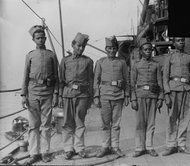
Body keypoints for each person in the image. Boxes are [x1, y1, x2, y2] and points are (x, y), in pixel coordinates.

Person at [21, 25, 59, 165]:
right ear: (33, 39)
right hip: (33, 94)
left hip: (47, 93)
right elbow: (25, 76)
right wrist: (23, 95)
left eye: (43, 37)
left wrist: (56, 94)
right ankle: (33, 153)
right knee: (33, 125)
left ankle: (45, 152)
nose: (41, 40)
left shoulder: (51, 55)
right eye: (38, 38)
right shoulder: (30, 55)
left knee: (46, 125)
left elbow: (57, 76)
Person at [58, 32, 94, 160]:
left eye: (83, 47)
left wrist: (90, 98)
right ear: (73, 45)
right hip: (67, 95)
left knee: (80, 122)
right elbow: (61, 80)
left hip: (82, 95)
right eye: (78, 45)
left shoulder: (88, 61)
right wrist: (59, 97)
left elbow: (91, 81)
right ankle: (68, 148)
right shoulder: (65, 61)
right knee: (68, 122)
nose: (80, 48)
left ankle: (80, 148)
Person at [162, 37, 190, 156]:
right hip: (173, 90)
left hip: (187, 89)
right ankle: (171, 145)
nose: (181, 42)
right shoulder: (169, 57)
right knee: (172, 118)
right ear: (174, 43)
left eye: (182, 40)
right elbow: (165, 77)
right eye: (178, 40)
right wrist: (166, 94)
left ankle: (182, 145)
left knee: (185, 118)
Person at [94, 36, 129, 158]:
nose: (112, 51)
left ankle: (115, 147)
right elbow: (96, 81)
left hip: (118, 95)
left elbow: (126, 79)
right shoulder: (100, 62)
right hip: (104, 95)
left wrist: (127, 94)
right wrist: (96, 96)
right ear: (105, 49)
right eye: (109, 48)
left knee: (116, 123)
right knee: (105, 123)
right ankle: (105, 147)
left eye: (114, 48)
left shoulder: (122, 62)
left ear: (117, 49)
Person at [130, 38, 163, 157]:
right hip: (140, 96)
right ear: (141, 51)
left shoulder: (156, 65)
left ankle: (149, 147)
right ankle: (139, 147)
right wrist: (133, 99)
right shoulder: (136, 65)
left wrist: (160, 98)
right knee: (140, 123)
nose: (148, 51)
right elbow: (132, 84)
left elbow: (160, 82)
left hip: (153, 96)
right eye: (146, 49)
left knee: (151, 123)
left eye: (150, 49)